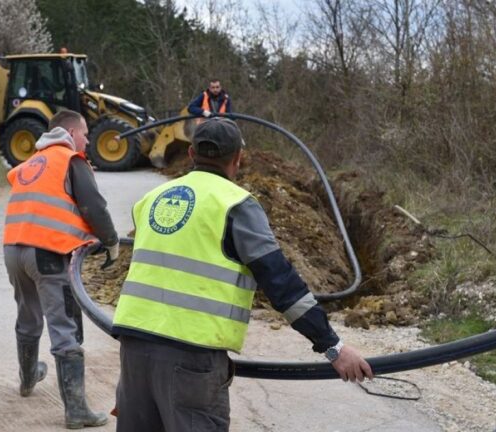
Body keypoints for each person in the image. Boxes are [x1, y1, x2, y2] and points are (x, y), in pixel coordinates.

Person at [111, 118, 373, 431]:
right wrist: (333, 347)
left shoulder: (150, 201)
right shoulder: (236, 205)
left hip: (133, 347)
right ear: (238, 159)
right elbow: (282, 284)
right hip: (191, 356)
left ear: (191, 154)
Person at [3, 109, 118, 429]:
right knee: (64, 327)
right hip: (48, 253)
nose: (88, 141)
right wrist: (110, 241)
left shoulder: (31, 164)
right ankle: (76, 410)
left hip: (13, 249)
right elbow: (93, 206)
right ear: (69, 132)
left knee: (28, 316)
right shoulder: (70, 160)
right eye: (84, 134)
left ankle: (27, 379)